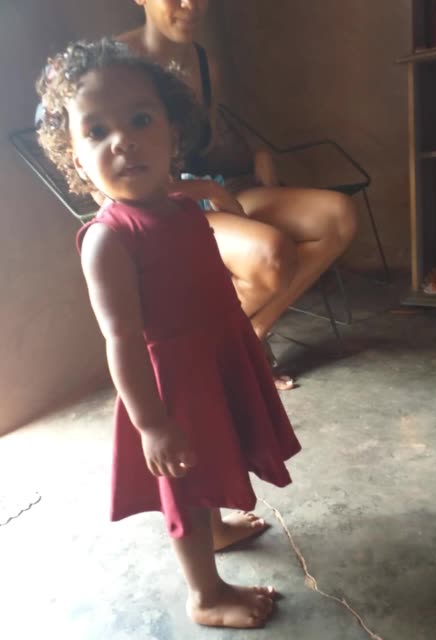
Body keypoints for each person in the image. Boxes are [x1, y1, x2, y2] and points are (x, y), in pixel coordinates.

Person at [36, 39, 301, 629]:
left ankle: (218, 529)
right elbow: (122, 340)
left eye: (139, 119)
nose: (122, 141)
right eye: (97, 131)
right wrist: (151, 423)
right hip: (171, 389)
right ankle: (205, 594)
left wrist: (243, 347)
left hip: (215, 362)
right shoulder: (108, 239)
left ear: (172, 132)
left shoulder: (183, 208)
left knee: (214, 459)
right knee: (183, 486)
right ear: (77, 158)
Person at [118, 0, 358, 391]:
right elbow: (109, 176)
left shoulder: (205, 63)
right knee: (271, 254)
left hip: (211, 190)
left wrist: (257, 152)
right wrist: (206, 190)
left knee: (339, 215)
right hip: (161, 209)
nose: (192, 5)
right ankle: (204, 360)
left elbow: (207, 145)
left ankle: (251, 336)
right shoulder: (116, 65)